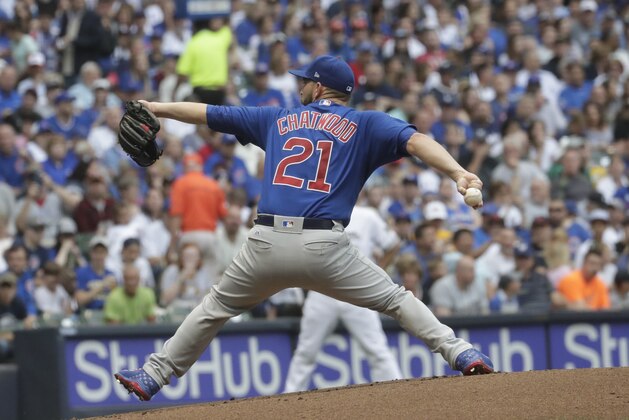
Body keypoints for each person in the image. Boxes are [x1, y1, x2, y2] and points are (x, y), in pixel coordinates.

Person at [114, 55, 494, 402]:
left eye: (304, 82)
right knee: (395, 300)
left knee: (214, 307)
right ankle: (460, 351)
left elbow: (209, 113)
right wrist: (458, 173)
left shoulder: (276, 118)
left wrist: (157, 107)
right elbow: (417, 141)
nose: (299, 88)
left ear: (318, 86)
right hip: (324, 245)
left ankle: (153, 375)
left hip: (265, 242)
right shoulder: (366, 123)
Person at [283, 203, 403, 392]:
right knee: (306, 350)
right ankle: (289, 398)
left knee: (376, 349)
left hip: (357, 291)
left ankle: (398, 393)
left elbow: (393, 243)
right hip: (322, 292)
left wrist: (377, 271)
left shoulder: (367, 215)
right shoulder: (314, 211)